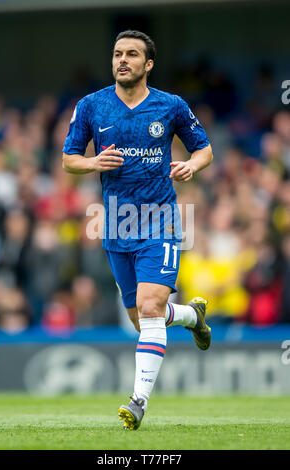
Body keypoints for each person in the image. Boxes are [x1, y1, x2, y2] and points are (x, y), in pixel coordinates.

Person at [62, 30, 213, 430]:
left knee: (149, 308)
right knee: (143, 318)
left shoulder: (171, 105)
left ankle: (138, 401)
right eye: (117, 54)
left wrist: (192, 166)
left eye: (131, 54)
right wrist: (93, 164)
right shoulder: (92, 106)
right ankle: (191, 317)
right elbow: (68, 160)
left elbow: (205, 148)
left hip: (160, 220)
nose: (122, 60)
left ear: (148, 65)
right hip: (115, 225)